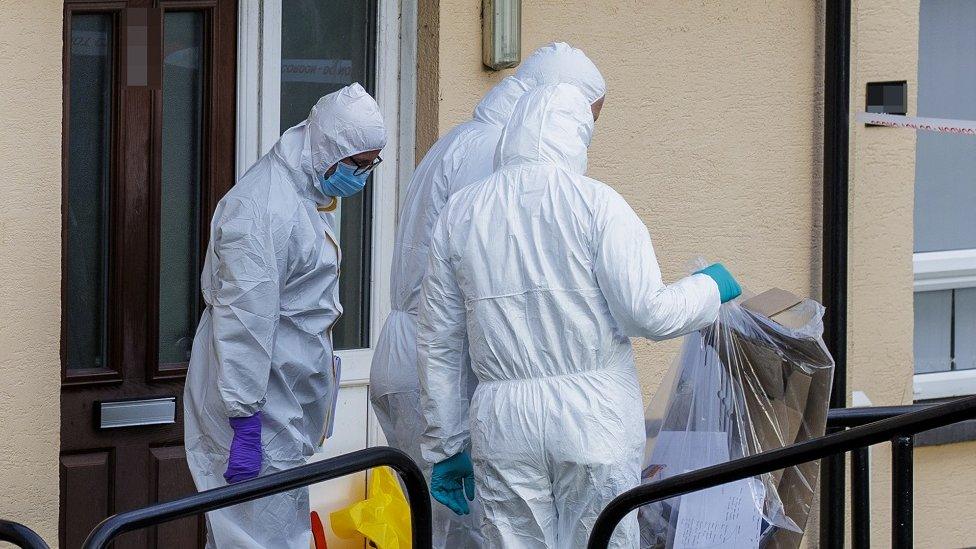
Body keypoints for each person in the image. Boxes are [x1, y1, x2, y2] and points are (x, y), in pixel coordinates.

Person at [416, 84, 741, 548]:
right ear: (576, 136)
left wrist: (445, 445)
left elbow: (440, 342)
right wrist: (710, 287)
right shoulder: (597, 205)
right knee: (603, 539)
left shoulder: (461, 213)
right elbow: (647, 313)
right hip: (594, 418)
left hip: (504, 423)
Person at [369, 42, 606, 547]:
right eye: (583, 119)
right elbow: (498, 282)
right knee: (473, 532)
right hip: (447, 373)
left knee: (432, 529)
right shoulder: (498, 155)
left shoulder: (456, 142)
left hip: (408, 359)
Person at [184, 82, 387, 548]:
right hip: (257, 406)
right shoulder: (263, 208)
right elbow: (243, 321)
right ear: (331, 150)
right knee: (255, 537)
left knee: (271, 532)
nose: (363, 176)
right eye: (359, 166)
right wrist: (244, 417)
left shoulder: (304, 193)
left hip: (279, 401)